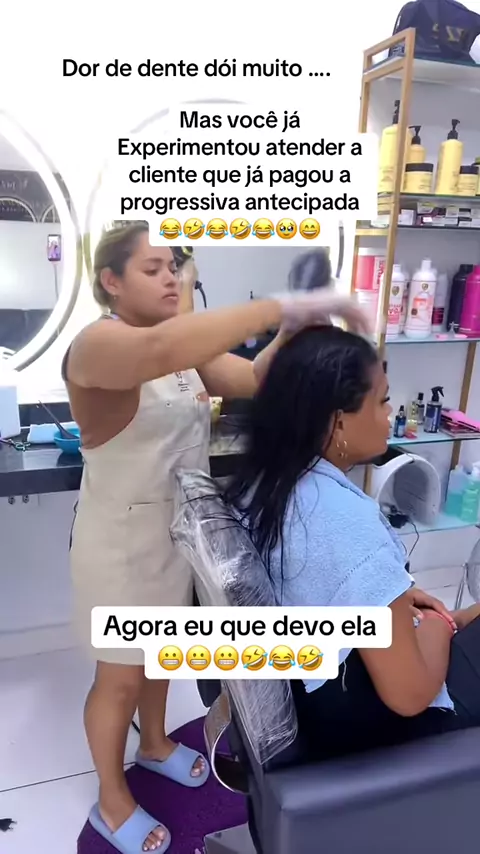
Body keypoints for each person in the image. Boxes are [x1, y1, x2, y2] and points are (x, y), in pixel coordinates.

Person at [63, 221, 369, 854]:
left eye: (173, 266)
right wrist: (285, 305)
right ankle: (112, 799)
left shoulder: (185, 354)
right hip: (121, 545)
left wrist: (290, 329)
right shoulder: (97, 345)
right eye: (152, 268)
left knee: (159, 654)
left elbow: (255, 378)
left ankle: (153, 745)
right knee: (119, 676)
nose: (170, 277)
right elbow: (157, 349)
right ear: (110, 280)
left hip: (181, 537)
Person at [225, 325, 480, 760]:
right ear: (339, 420)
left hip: (320, 695)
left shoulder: (268, 483)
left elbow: (324, 581)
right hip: (369, 724)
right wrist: (441, 627)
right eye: (382, 400)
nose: (390, 413)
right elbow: (409, 695)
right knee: (455, 624)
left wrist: (393, 598)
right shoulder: (345, 522)